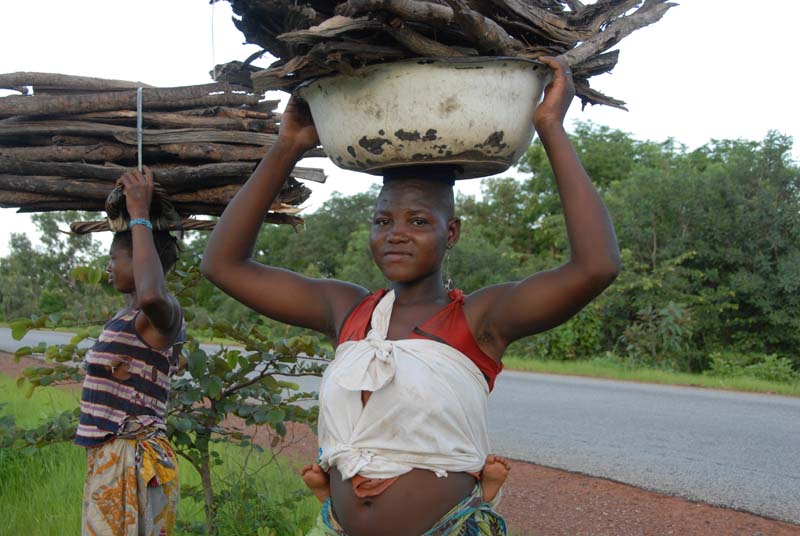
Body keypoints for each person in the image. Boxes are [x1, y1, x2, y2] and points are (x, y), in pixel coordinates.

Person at [201, 56, 620, 536]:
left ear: (452, 232)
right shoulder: (348, 311)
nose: (396, 234)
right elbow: (222, 265)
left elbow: (596, 267)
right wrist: (287, 148)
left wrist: (550, 127)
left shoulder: (480, 319)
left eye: (419, 221)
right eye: (383, 221)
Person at [75, 167, 185, 536]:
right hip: (115, 458)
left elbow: (150, 290)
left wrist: (139, 212)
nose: (108, 265)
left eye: (115, 257)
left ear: (140, 260)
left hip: (134, 460)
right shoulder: (128, 316)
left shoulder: (159, 313)